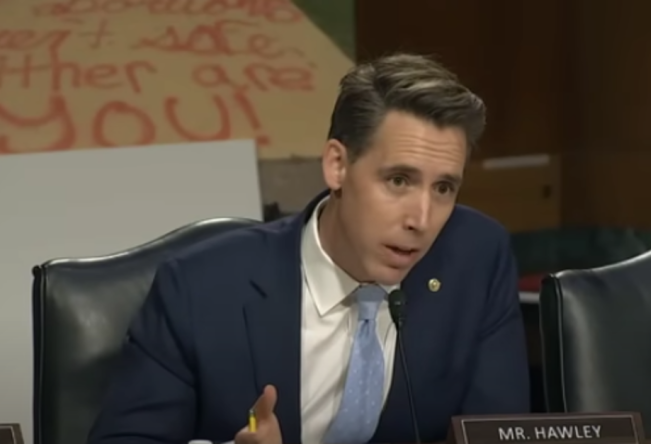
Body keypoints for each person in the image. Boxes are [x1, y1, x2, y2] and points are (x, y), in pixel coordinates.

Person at [88, 53, 530, 444]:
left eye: (444, 188)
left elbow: (499, 431)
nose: (422, 218)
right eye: (399, 180)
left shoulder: (475, 256)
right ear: (338, 165)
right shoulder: (200, 287)